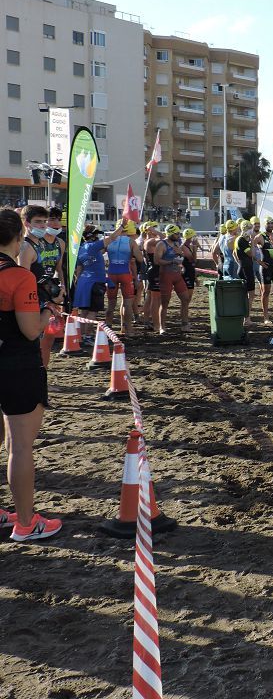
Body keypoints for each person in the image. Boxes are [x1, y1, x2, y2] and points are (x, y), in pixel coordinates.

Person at [0, 208, 62, 541]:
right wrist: (47, 308)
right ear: (20, 236)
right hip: (16, 365)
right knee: (20, 447)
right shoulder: (19, 277)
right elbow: (29, 330)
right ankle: (26, 522)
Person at [18, 205, 65, 367]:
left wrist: (59, 290)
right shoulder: (25, 247)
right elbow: (22, 283)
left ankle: (42, 376)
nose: (43, 225)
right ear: (26, 223)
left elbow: (56, 271)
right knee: (32, 345)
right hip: (31, 303)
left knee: (47, 342)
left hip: (46, 298)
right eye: (38, 222)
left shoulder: (52, 243)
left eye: (45, 221)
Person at [105, 221, 146, 336]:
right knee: (127, 304)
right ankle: (128, 330)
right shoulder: (131, 242)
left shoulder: (110, 240)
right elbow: (140, 259)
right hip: (125, 274)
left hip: (112, 273)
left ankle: (108, 329)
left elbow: (99, 253)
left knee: (111, 304)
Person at [154, 224, 193, 334]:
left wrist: (180, 256)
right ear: (170, 234)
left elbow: (181, 257)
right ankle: (162, 327)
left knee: (185, 299)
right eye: (176, 234)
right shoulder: (161, 245)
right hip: (166, 275)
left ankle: (184, 324)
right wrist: (171, 261)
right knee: (165, 303)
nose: (178, 235)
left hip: (177, 275)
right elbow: (157, 261)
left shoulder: (177, 243)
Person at [72, 225, 110, 326]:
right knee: (93, 312)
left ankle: (81, 335)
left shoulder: (81, 248)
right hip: (95, 282)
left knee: (84, 312)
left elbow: (79, 270)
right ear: (94, 236)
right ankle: (87, 335)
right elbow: (112, 238)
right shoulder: (93, 246)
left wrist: (78, 283)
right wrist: (122, 227)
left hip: (83, 282)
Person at [233, 220, 257, 328]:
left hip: (244, 267)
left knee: (247, 295)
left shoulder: (240, 239)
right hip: (246, 269)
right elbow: (251, 253)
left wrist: (240, 263)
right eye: (251, 228)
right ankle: (246, 318)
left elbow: (235, 253)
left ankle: (246, 317)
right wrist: (252, 242)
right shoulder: (242, 240)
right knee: (250, 295)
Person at [180, 229, 200, 327]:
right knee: (186, 299)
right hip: (186, 273)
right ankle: (184, 321)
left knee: (188, 299)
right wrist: (195, 249)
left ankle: (185, 320)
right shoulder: (184, 247)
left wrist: (195, 278)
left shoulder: (189, 246)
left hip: (190, 272)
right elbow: (192, 259)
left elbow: (193, 262)